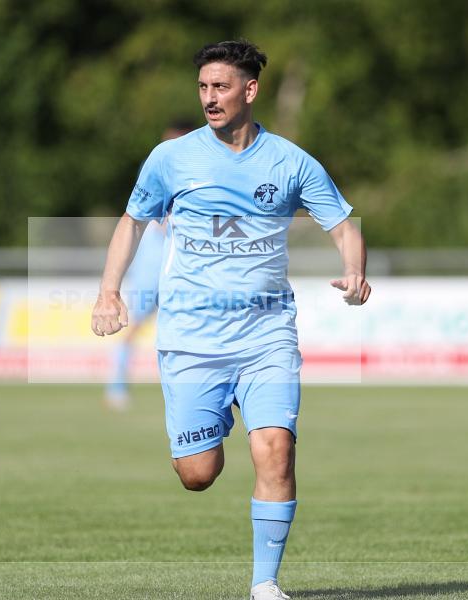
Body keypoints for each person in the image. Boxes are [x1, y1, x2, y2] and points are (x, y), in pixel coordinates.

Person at [91, 40, 370, 600]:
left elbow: (343, 225)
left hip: (267, 334)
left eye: (220, 86)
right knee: (198, 473)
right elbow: (133, 221)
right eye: (203, 87)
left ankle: (265, 584)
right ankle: (211, 417)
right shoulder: (171, 158)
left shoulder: (290, 162)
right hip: (191, 339)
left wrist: (354, 270)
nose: (209, 98)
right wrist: (108, 292)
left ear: (250, 89)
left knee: (276, 449)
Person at [105, 121, 196, 410]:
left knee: (191, 325)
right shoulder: (156, 164)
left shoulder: (200, 165)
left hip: (184, 262)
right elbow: (145, 214)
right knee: (133, 324)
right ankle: (117, 384)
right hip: (153, 261)